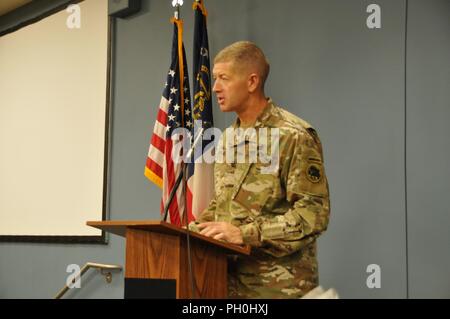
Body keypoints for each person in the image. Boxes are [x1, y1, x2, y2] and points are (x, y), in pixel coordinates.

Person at [191, 41, 330, 298]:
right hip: (226, 286)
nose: (215, 88)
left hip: (277, 289)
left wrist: (244, 234)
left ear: (252, 82)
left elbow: (312, 216)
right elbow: (224, 204)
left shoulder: (293, 135)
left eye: (224, 78)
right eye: (214, 79)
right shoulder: (229, 137)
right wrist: (193, 230)